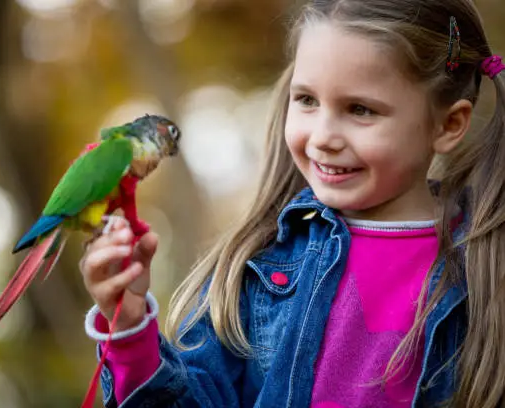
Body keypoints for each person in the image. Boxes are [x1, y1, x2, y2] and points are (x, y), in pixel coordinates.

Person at [79, 0, 505, 406]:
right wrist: (131, 328)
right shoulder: (256, 266)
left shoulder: (485, 269)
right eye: (307, 101)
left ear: (449, 125)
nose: (322, 136)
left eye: (360, 109)